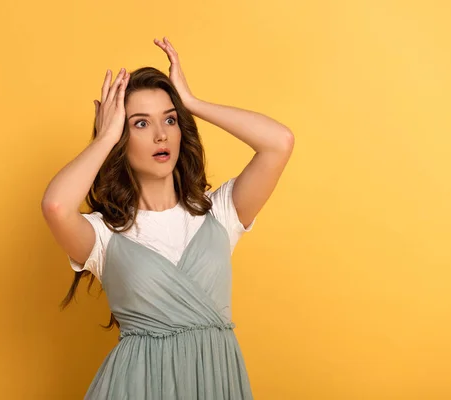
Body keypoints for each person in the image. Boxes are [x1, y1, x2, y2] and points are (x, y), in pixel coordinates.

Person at [41, 37, 294, 399]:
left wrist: (191, 102)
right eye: (140, 124)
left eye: (170, 119)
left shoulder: (220, 212)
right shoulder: (104, 236)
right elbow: (55, 207)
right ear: (121, 137)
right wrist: (106, 137)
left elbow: (279, 142)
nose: (161, 134)